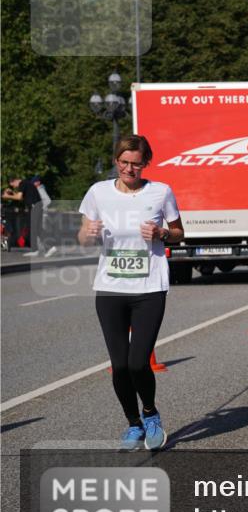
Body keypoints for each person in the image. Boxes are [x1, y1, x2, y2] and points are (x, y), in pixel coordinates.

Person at [77, 135, 184, 451]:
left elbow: (179, 233)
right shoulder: (98, 192)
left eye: (136, 164)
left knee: (138, 363)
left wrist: (162, 232)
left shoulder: (160, 192)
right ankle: (133, 423)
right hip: (110, 288)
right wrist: (88, 233)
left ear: (145, 163)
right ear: (116, 161)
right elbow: (83, 236)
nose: (129, 169)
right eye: (124, 162)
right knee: (120, 365)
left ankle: (150, 413)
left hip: (149, 288)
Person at [3, 177, 44, 254]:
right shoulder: (26, 183)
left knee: (32, 228)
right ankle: (47, 247)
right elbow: (21, 198)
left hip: (33, 207)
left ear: (14, 181)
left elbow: (19, 197)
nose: (15, 187)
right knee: (37, 228)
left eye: (13, 185)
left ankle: (36, 249)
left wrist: (6, 196)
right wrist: (12, 193)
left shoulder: (22, 184)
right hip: (37, 206)